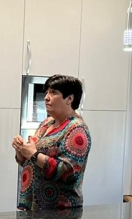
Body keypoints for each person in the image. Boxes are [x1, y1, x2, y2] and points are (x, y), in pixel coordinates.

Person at [12, 74, 91, 211]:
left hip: (59, 212)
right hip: (34, 207)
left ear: (69, 99)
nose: (46, 97)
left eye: (53, 93)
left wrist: (33, 154)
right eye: (47, 92)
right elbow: (31, 160)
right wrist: (21, 150)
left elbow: (69, 173)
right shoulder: (47, 123)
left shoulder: (77, 129)